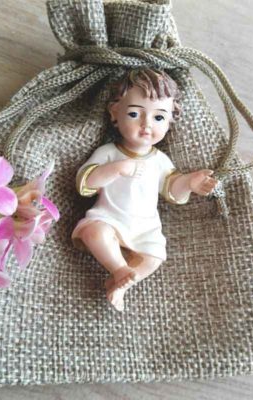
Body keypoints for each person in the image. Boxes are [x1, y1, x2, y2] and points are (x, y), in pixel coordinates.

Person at [72, 69, 217, 311]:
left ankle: (122, 283)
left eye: (159, 117)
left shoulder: (160, 160)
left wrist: (190, 183)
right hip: (108, 218)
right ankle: (119, 269)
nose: (146, 124)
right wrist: (117, 168)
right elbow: (85, 183)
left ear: (170, 120)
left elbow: (171, 189)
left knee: (154, 258)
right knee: (94, 233)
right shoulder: (109, 152)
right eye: (134, 114)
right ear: (114, 112)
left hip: (145, 227)